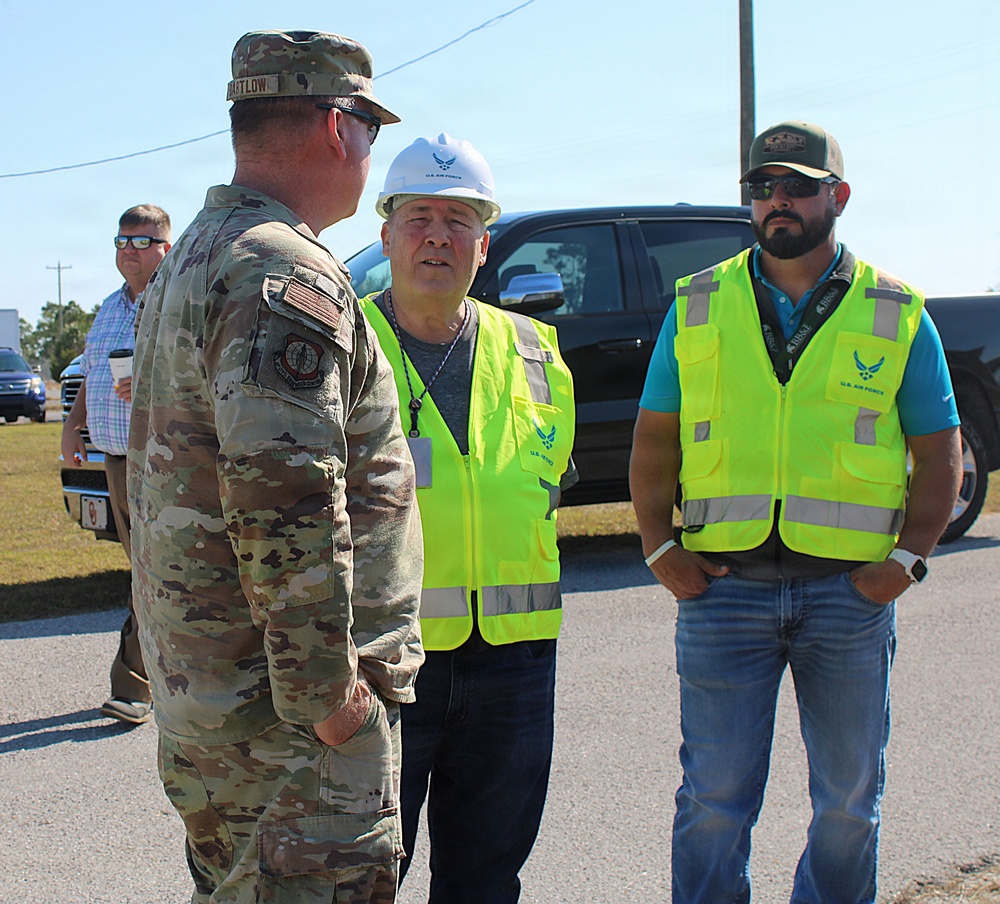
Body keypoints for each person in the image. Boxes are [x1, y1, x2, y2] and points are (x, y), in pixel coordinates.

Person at [629, 120, 963, 904]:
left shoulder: (896, 310)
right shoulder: (699, 302)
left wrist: (907, 561)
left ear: (836, 197)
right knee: (713, 802)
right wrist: (656, 547)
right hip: (723, 594)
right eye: (762, 187)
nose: (777, 200)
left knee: (848, 804)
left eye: (797, 186)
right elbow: (654, 441)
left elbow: (941, 453)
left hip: (848, 599)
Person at [127, 30, 422, 904]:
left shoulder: (194, 255)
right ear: (339, 127)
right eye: (369, 128)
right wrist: (328, 696)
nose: (369, 153)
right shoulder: (281, 269)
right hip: (290, 727)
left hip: (215, 699)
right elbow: (284, 499)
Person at [359, 133, 577, 903]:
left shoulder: (537, 350)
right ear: (385, 234)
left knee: (486, 882)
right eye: (419, 215)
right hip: (382, 666)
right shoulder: (342, 344)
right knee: (362, 879)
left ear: (484, 245)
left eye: (459, 220)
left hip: (515, 665)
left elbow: (547, 489)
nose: (437, 236)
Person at [61, 204, 171, 726]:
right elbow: (90, 375)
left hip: (165, 458)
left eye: (141, 241)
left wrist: (149, 384)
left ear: (165, 248)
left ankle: (133, 688)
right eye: (122, 241)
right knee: (147, 574)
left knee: (151, 574)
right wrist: (70, 426)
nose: (129, 250)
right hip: (115, 457)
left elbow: (201, 370)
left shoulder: (176, 300)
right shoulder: (108, 306)